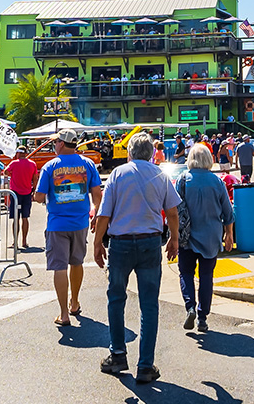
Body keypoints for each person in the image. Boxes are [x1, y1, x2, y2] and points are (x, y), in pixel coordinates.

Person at [93, 132, 180, 383]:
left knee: (116, 299)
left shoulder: (118, 174)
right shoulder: (160, 175)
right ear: (152, 153)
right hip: (150, 242)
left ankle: (118, 354)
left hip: (120, 243)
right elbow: (172, 212)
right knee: (149, 304)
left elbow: (104, 214)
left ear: (129, 152)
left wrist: (97, 243)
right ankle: (145, 365)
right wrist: (174, 239)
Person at [35, 130, 102, 326]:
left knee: (60, 267)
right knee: (77, 262)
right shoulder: (88, 164)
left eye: (56, 142)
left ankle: (64, 314)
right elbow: (97, 194)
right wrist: (97, 214)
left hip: (57, 224)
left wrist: (36, 194)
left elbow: (39, 197)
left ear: (62, 144)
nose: (54, 145)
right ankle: (74, 302)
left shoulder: (50, 166)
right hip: (80, 223)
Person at [172, 144, 233, 333]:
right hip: (211, 236)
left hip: (187, 236)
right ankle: (202, 317)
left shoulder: (183, 179)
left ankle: (190, 306)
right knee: (206, 276)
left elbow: (173, 210)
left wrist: (173, 236)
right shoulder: (217, 181)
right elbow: (228, 212)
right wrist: (229, 234)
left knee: (186, 273)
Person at [5, 146, 38, 251]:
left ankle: (15, 242)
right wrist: (34, 191)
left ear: (18, 153)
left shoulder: (14, 163)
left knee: (16, 218)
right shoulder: (32, 164)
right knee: (25, 217)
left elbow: (5, 172)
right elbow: (35, 179)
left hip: (15, 194)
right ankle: (24, 241)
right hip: (27, 193)